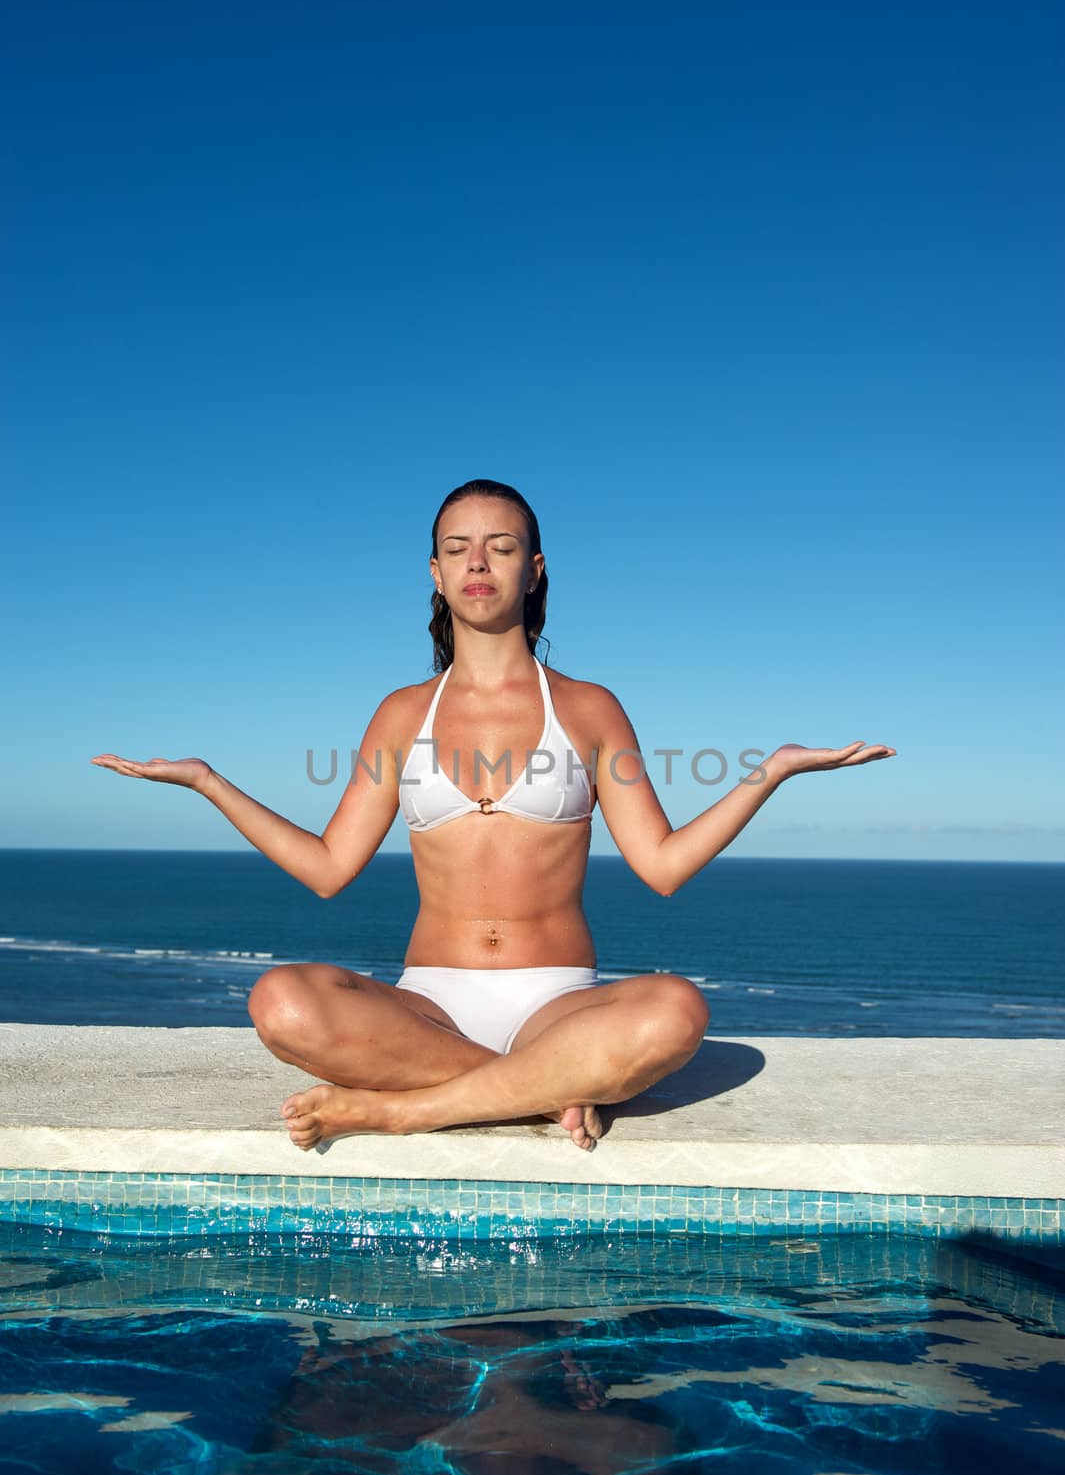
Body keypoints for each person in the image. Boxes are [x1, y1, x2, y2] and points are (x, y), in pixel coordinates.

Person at [91, 478, 895, 1153]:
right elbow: (329, 868)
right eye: (457, 548)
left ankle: (411, 1108)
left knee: (675, 1009)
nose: (478, 562)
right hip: (429, 1004)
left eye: (501, 546)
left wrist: (770, 774)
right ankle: (543, 1093)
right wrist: (208, 782)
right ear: (435, 574)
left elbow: (662, 865)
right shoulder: (402, 714)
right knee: (280, 1000)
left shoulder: (587, 709)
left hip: (558, 1003)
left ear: (534, 570)